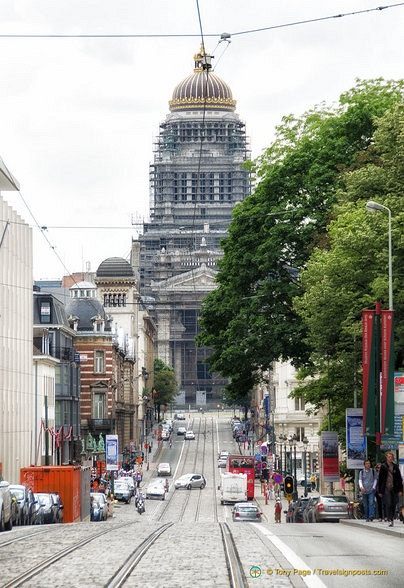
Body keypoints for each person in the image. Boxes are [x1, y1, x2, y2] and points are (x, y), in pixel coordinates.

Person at [378, 451, 403, 527]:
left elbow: (399, 479)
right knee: (388, 503)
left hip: (394, 488)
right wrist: (380, 491)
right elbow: (381, 479)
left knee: (393, 504)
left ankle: (391, 518)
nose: (390, 458)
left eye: (391, 457)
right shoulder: (383, 466)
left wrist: (400, 490)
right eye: (389, 457)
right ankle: (389, 519)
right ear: (386, 457)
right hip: (386, 488)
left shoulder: (395, 466)